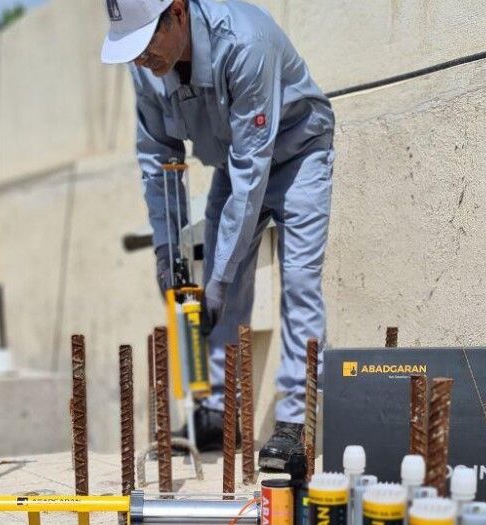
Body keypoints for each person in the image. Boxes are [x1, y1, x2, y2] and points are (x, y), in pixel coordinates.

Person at [101, 0, 334, 471]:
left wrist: (219, 282)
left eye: (146, 43)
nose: (142, 59)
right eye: (131, 50)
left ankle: (293, 422)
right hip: (236, 158)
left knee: (299, 283)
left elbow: (255, 171)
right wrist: (167, 251)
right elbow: (156, 159)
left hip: (297, 152)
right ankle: (218, 413)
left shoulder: (245, 41)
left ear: (179, 13)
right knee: (218, 287)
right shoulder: (145, 66)